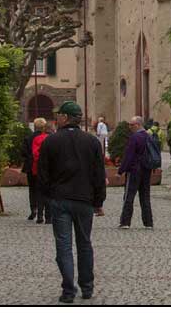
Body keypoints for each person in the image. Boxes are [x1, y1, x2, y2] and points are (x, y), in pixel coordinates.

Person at [39, 101, 107, 303]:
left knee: (64, 246)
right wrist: (98, 201)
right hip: (84, 200)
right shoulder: (92, 142)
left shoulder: (51, 142)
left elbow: (43, 175)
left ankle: (68, 289)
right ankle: (87, 286)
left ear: (65, 118)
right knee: (84, 243)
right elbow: (98, 174)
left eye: (59, 115)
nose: (56, 118)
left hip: (60, 200)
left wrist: (48, 197)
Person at [118, 115, 156, 228]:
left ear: (138, 125)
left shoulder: (135, 137)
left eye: (132, 124)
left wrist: (121, 171)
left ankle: (125, 222)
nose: (130, 127)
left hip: (134, 170)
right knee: (145, 197)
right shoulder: (149, 136)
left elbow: (128, 156)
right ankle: (148, 222)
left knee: (129, 196)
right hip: (147, 169)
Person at [25, 117, 51, 223]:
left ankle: (35, 211)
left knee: (34, 190)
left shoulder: (30, 138)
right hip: (48, 169)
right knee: (48, 191)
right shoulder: (50, 138)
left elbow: (28, 153)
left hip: (34, 167)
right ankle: (48, 216)